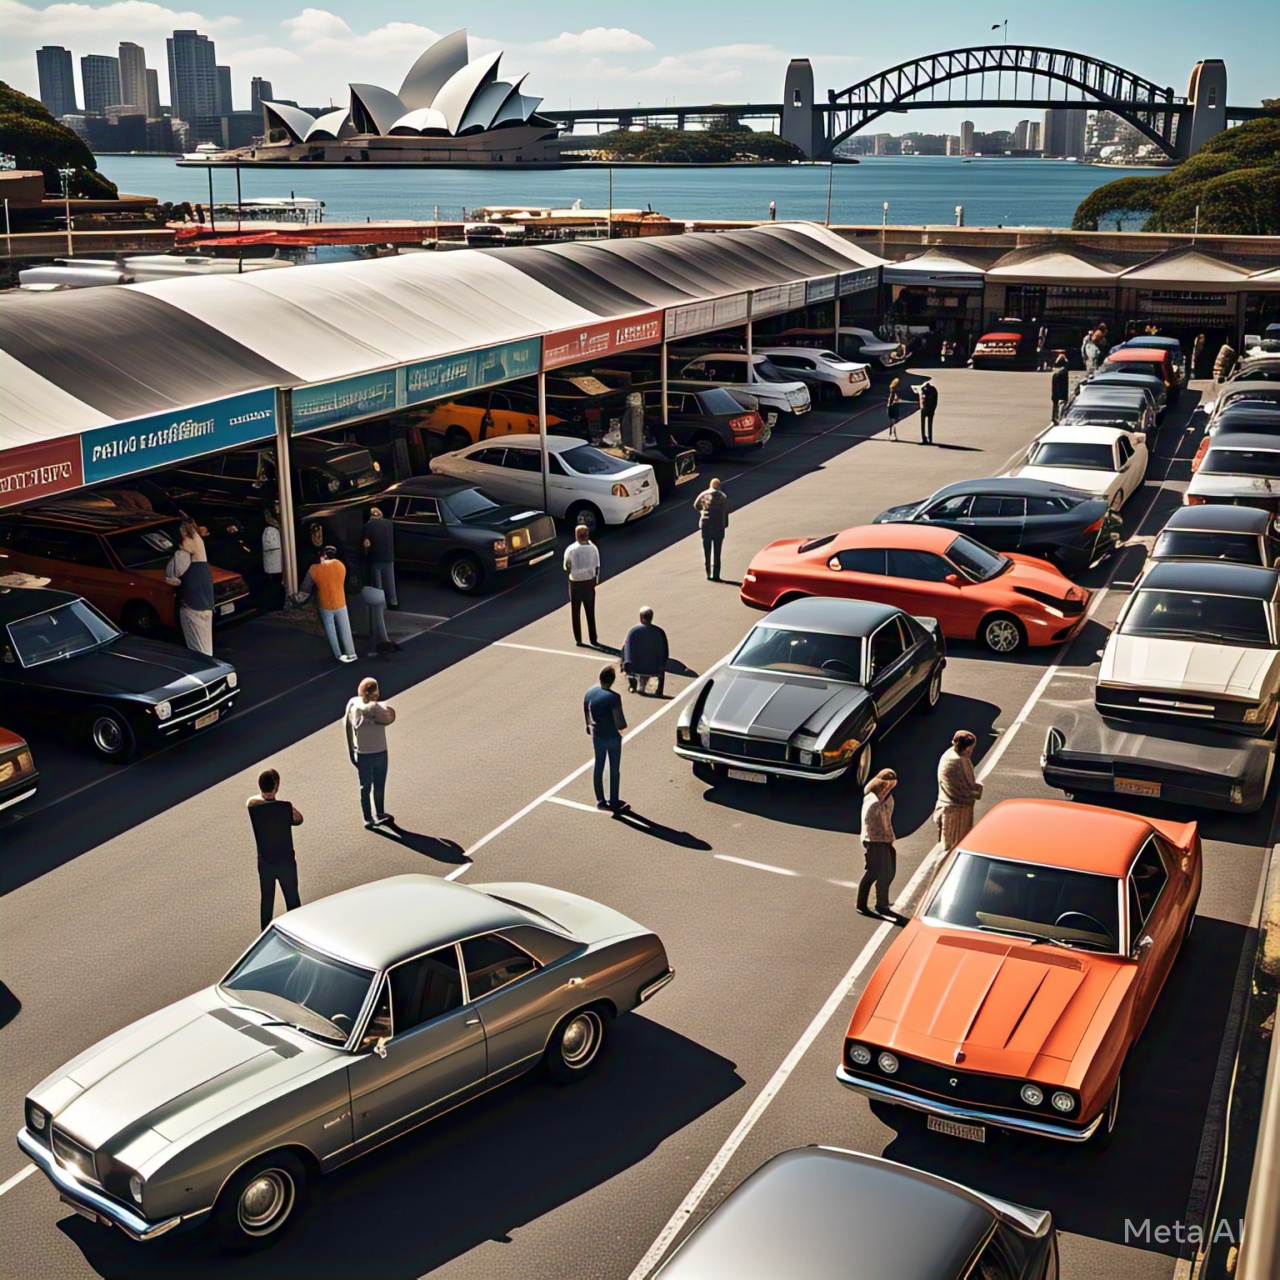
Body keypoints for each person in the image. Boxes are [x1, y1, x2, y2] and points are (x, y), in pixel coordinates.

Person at [246, 768, 303, 931]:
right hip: (286, 861)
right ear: (276, 786)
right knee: (292, 899)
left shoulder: (253, 807)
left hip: (265, 862)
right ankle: (298, 930)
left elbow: (252, 800)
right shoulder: (284, 807)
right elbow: (299, 820)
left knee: (267, 900)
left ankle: (264, 932)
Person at [345, 676, 396, 829]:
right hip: (379, 751)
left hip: (363, 752)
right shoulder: (379, 708)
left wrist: (351, 749)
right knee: (378, 785)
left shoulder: (353, 704)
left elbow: (347, 727)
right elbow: (389, 718)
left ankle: (369, 817)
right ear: (375, 693)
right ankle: (378, 813)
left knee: (365, 786)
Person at [297, 545, 357, 663]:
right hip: (340, 602)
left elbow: (306, 588)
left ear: (323, 555)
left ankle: (338, 654)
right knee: (345, 628)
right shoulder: (340, 566)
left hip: (325, 604)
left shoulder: (314, 569)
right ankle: (351, 652)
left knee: (331, 630)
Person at [164, 519, 214, 656]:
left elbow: (172, 577)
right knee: (205, 643)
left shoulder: (184, 553)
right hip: (206, 601)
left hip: (192, 603)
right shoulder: (200, 547)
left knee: (196, 646)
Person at [858, 768, 903, 922]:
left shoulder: (888, 800)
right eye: (886, 786)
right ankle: (862, 904)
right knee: (873, 872)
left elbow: (888, 821)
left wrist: (890, 837)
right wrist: (878, 841)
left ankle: (882, 902)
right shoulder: (873, 801)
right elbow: (868, 823)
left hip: (885, 839)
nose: (888, 789)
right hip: (874, 840)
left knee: (889, 872)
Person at [584, 665, 628, 811]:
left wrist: (589, 727)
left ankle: (600, 800)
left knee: (599, 765)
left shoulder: (590, 693)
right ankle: (614, 800)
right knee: (614, 769)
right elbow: (620, 723)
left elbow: (587, 714)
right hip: (612, 737)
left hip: (597, 735)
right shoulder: (614, 698)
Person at [934, 730, 984, 853]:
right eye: (970, 748)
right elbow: (959, 789)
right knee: (951, 849)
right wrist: (977, 791)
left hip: (954, 809)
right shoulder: (956, 761)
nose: (971, 751)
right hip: (954, 812)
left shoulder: (953, 755)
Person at [563, 524, 600, 647]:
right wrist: (595, 580)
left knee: (575, 611)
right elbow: (597, 566)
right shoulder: (593, 548)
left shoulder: (571, 549)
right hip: (589, 582)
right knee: (590, 611)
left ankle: (578, 638)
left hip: (575, 583)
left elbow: (566, 566)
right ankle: (593, 637)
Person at [623, 607, 669, 696]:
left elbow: (627, 651)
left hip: (636, 667)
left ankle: (632, 684)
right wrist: (662, 665)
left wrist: (627, 665)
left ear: (640, 617)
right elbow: (665, 652)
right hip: (655, 667)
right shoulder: (660, 632)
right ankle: (659, 690)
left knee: (623, 649)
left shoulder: (633, 632)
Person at [693, 477, 729, 581]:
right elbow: (725, 511)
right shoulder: (723, 497)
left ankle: (708, 573)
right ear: (719, 486)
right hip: (718, 526)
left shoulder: (703, 494)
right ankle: (716, 574)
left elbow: (696, 505)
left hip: (706, 525)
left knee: (706, 549)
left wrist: (702, 511)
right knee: (717, 551)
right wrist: (725, 525)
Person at [363, 506, 398, 609]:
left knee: (378, 583)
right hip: (389, 557)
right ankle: (393, 602)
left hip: (375, 558)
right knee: (390, 582)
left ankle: (382, 605)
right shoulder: (389, 524)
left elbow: (366, 543)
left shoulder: (368, 526)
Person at [260, 505, 283, 611]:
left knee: (276, 583)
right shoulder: (270, 530)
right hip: (272, 563)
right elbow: (270, 546)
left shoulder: (275, 529)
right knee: (273, 583)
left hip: (276, 563)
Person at [1050, 352, 1070, 422]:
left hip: (1056, 394)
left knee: (1056, 406)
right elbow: (1068, 365)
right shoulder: (1063, 371)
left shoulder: (1056, 374)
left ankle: (1055, 417)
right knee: (1061, 406)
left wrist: (1058, 359)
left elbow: (1055, 365)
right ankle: (1059, 417)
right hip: (1062, 393)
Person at [918, 379, 937, 445]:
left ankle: (929, 438)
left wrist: (933, 409)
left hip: (929, 408)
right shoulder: (922, 389)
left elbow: (935, 401)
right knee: (923, 424)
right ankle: (924, 438)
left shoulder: (933, 390)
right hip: (924, 409)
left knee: (929, 424)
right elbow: (920, 399)